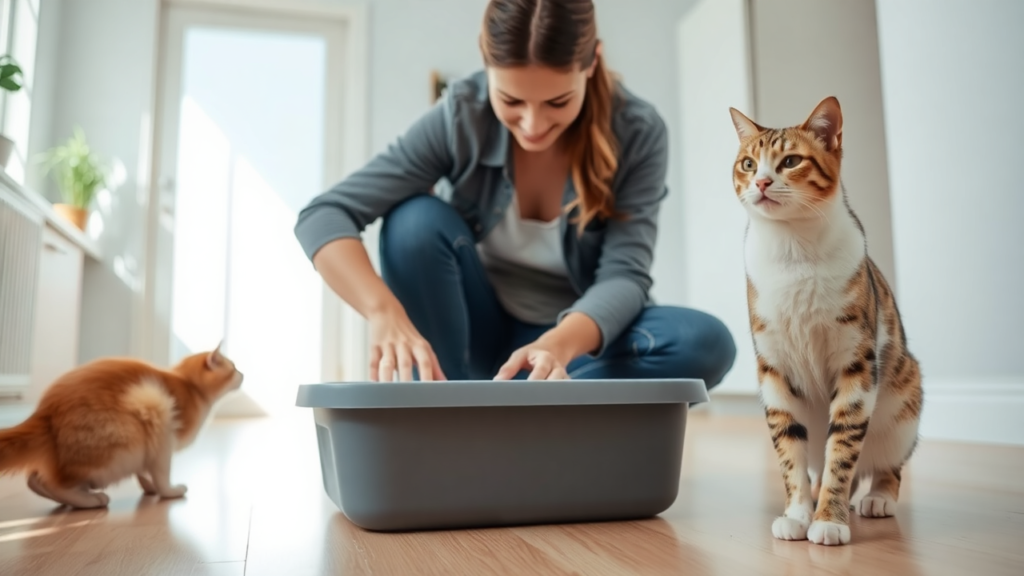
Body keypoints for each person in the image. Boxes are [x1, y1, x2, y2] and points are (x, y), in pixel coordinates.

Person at [294, 0, 736, 385]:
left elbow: (624, 275)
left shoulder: (638, 131)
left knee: (704, 343)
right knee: (412, 222)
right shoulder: (459, 115)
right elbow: (325, 214)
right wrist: (381, 311)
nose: (532, 125)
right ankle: (462, 401)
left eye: (557, 103)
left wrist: (557, 347)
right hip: (475, 335)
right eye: (511, 101)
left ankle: (516, 401)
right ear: (486, 65)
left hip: (571, 343)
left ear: (592, 63)